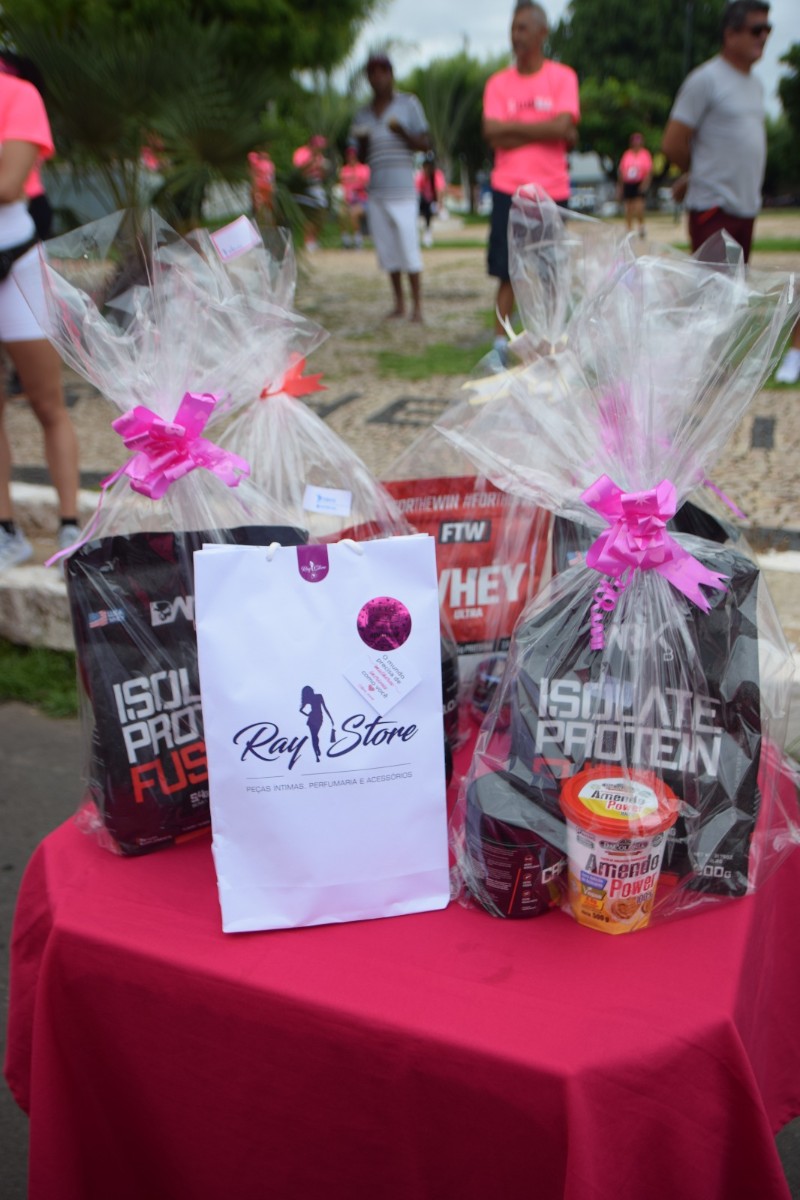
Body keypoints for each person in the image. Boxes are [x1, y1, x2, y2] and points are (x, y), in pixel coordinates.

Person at [0, 69, 80, 572]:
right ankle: (6, 531)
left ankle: (70, 521)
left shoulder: (18, 93)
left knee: (47, 402)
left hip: (16, 264)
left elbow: (10, 185)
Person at [482, 1, 580, 364]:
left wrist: (514, 130)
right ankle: (499, 345)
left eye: (523, 27)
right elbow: (492, 132)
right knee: (506, 271)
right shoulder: (498, 83)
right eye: (513, 27)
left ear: (542, 33)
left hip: (551, 190)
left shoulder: (562, 77)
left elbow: (565, 126)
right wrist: (546, 128)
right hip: (509, 188)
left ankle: (552, 339)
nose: (516, 35)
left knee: (552, 272)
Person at [661, 0, 771, 263]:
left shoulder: (755, 84)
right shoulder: (706, 79)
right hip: (714, 208)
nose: (764, 36)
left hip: (745, 208)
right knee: (713, 296)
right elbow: (672, 142)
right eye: (756, 29)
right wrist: (700, 173)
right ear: (731, 33)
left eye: (768, 29)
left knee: (734, 293)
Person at [350, 53, 431, 322]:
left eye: (382, 71)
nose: (378, 77)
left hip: (403, 191)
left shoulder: (408, 104)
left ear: (391, 74)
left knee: (409, 248)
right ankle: (399, 304)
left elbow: (425, 142)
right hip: (377, 191)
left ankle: (418, 306)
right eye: (372, 72)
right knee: (388, 251)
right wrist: (362, 143)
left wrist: (403, 133)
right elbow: (360, 158)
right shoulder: (363, 114)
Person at [293, 134, 331, 251]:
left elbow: (323, 176)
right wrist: (312, 160)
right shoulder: (301, 153)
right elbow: (299, 171)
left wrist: (323, 168)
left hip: (317, 187)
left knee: (321, 214)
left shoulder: (320, 156)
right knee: (310, 214)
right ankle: (308, 241)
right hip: (304, 187)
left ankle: (313, 239)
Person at [617, 132, 652, 238]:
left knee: (639, 207)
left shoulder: (645, 154)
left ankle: (641, 226)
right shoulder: (627, 154)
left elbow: (649, 171)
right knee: (629, 207)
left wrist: (645, 184)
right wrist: (620, 186)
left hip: (639, 182)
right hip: (629, 183)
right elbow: (622, 171)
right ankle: (628, 229)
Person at [338, 144, 370, 248]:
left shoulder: (364, 168)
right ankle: (345, 239)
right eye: (349, 156)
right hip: (348, 201)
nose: (351, 158)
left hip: (362, 201)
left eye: (353, 155)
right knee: (341, 213)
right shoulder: (344, 170)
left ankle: (357, 239)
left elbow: (365, 184)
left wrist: (354, 182)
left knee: (353, 213)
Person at [416, 153, 445, 248]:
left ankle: (428, 233)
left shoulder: (436, 175)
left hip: (433, 201)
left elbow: (439, 190)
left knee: (429, 212)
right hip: (423, 200)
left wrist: (440, 204)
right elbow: (417, 190)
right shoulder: (421, 176)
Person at [300, 685, 334, 762]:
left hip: (315, 717)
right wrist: (331, 719)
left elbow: (301, 710)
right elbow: (325, 708)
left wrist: (307, 714)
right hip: (317, 717)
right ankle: (316, 755)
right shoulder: (318, 696)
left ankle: (317, 748)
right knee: (314, 736)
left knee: (315, 736)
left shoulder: (315, 697)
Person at [248, 147, 276, 226]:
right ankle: (255, 222)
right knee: (257, 205)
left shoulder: (270, 164)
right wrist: (254, 187)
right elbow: (253, 174)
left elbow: (271, 176)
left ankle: (270, 223)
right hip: (259, 186)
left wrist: (272, 185)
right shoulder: (256, 163)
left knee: (269, 204)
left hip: (267, 186)